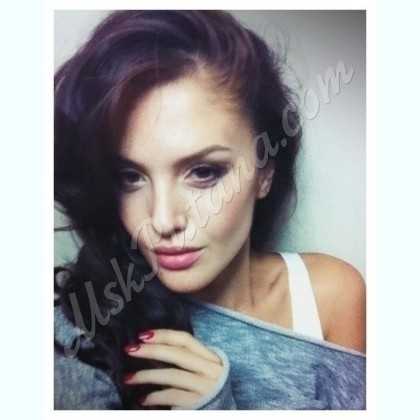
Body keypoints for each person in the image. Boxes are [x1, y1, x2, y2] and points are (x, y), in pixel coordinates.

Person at [54, 10, 366, 410]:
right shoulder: (84, 329)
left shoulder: (330, 294)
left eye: (203, 172)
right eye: (130, 177)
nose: (162, 220)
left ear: (264, 173)